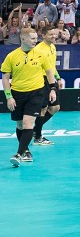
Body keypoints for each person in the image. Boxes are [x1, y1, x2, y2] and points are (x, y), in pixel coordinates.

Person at [2, 27, 57, 166]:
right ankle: (25, 149)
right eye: (32, 38)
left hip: (36, 92)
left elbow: (49, 72)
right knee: (20, 124)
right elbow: (5, 77)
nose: (35, 40)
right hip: (17, 94)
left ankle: (19, 154)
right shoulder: (12, 56)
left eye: (36, 38)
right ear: (23, 39)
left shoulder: (40, 54)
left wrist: (52, 89)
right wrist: (9, 97)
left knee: (28, 123)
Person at [32, 26, 62, 146]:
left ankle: (35, 130)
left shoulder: (53, 47)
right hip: (41, 79)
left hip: (50, 79)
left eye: (54, 34)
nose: (54, 37)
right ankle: (38, 137)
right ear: (43, 35)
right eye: (51, 35)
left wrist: (58, 78)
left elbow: (51, 67)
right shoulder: (39, 49)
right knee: (43, 108)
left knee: (55, 107)